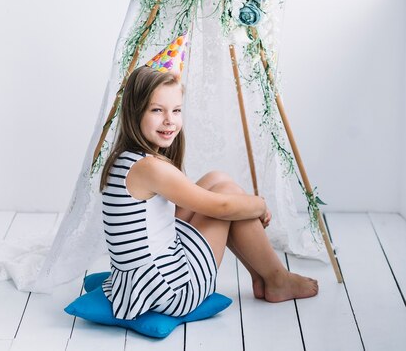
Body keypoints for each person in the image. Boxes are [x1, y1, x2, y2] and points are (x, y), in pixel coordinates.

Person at [99, 61, 319, 321]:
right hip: (172, 290)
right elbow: (221, 208)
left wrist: (243, 204)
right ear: (135, 113)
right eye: (157, 110)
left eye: (177, 110)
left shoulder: (127, 158)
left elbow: (180, 207)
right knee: (228, 200)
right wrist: (258, 205)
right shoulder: (151, 168)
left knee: (218, 179)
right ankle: (276, 279)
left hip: (140, 281)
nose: (170, 120)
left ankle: (263, 277)